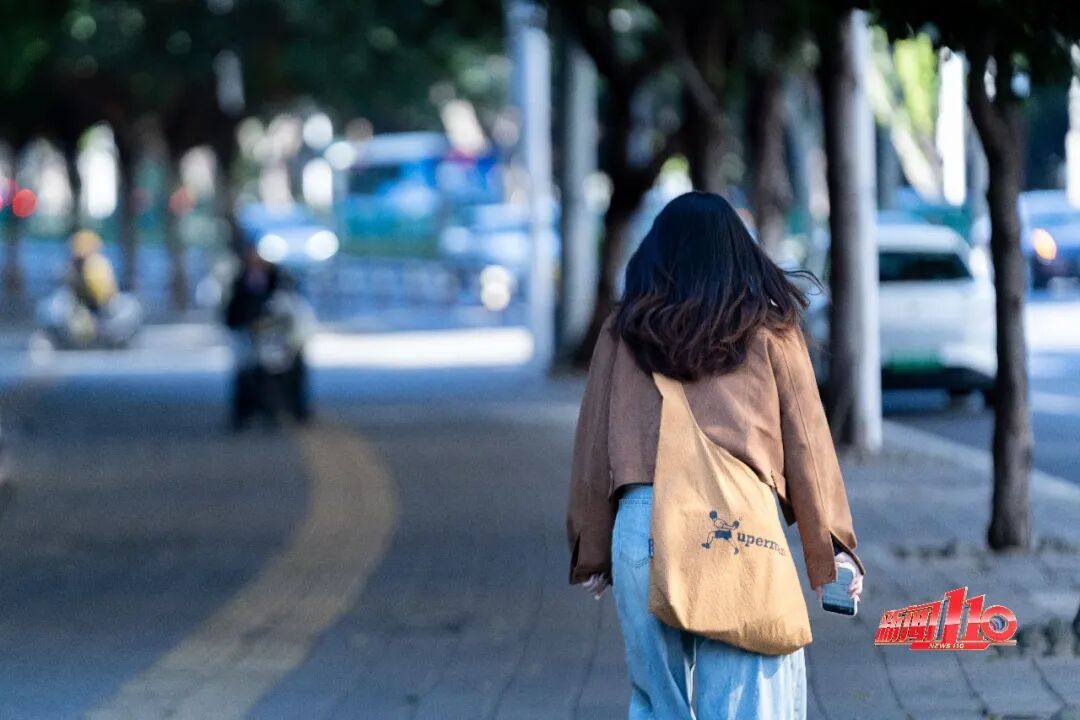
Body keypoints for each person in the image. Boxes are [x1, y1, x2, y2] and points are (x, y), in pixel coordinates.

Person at [566, 191, 864, 719]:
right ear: (737, 252)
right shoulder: (769, 325)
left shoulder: (623, 329)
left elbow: (594, 442)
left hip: (641, 526)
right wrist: (831, 548)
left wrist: (593, 547)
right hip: (736, 527)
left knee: (657, 705)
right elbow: (808, 445)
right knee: (745, 704)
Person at [224, 246, 310, 430]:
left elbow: (292, 313)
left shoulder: (280, 282)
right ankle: (246, 415)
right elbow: (233, 311)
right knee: (248, 378)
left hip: (277, 340)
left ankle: (281, 412)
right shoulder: (240, 281)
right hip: (250, 337)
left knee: (282, 376)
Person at [67, 230, 118, 313]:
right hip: (80, 307)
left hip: (103, 308)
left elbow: (107, 294)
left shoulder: (99, 264)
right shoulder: (72, 266)